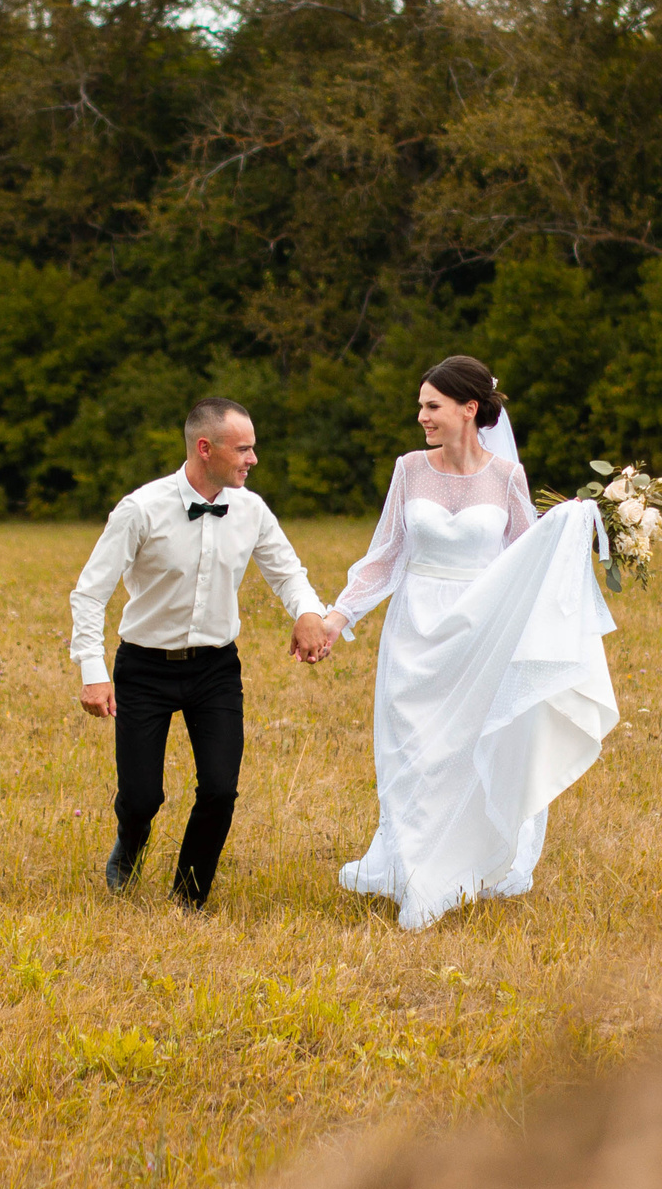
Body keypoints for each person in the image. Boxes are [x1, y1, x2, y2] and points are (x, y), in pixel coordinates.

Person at [316, 355, 619, 931]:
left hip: (478, 632)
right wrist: (337, 616)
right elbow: (385, 556)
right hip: (413, 632)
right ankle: (414, 873)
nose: (422, 416)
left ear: (468, 409)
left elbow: (528, 555)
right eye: (421, 406)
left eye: (432, 405)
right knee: (412, 756)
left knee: (463, 753)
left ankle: (449, 874)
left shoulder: (506, 477)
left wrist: (573, 526)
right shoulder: (409, 469)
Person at [68, 398, 337, 910]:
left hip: (216, 669)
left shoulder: (251, 510)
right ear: (205, 448)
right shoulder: (141, 509)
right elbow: (89, 593)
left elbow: (288, 572)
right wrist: (93, 671)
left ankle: (189, 898)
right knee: (142, 797)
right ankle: (131, 842)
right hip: (144, 667)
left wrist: (308, 612)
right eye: (244, 449)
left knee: (219, 790)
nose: (253, 459)